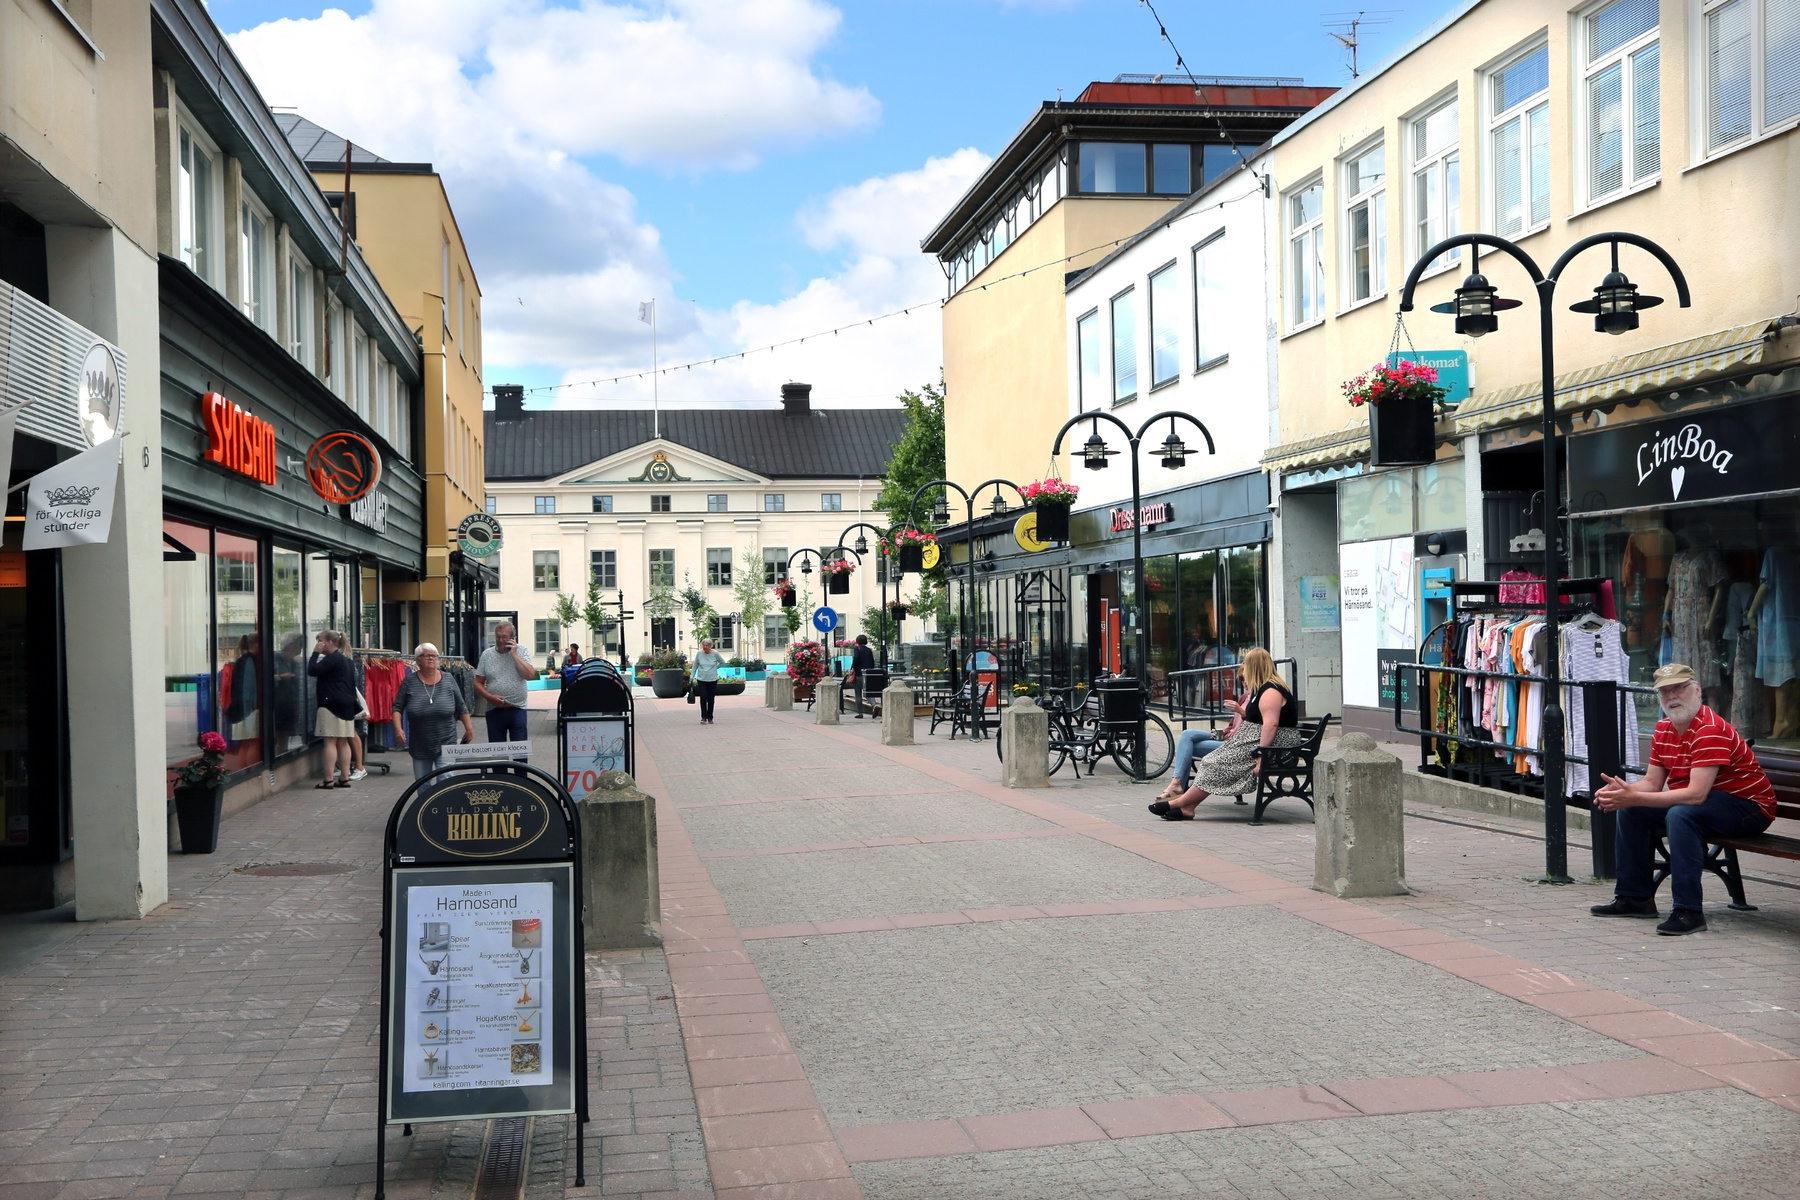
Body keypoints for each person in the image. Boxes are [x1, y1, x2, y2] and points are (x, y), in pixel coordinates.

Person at [1590, 662, 1777, 936]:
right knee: (1632, 810)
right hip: (1710, 801)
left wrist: (1635, 796)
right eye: (1664, 692)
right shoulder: (1664, 728)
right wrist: (1624, 793)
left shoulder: (1709, 729)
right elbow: (1653, 783)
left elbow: (1696, 795)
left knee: (1681, 815)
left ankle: (1689, 911)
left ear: (1697, 690)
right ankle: (1635, 898)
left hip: (1748, 806)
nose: (1671, 697)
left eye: (1678, 689)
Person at [1151, 648, 1302, 820]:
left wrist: (1261, 754)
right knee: (1210, 760)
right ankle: (1188, 807)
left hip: (1274, 747)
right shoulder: (1260, 690)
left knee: (1216, 763)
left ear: (1254, 667)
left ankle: (1180, 803)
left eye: (1246, 665)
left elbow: (1271, 724)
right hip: (1252, 742)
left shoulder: (1271, 691)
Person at [392, 643, 473, 779]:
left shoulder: (448, 679)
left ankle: (445, 801)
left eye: (434, 655)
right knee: (423, 784)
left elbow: (461, 706)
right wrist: (398, 729)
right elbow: (397, 707)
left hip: (446, 740)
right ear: (418, 660)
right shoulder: (409, 681)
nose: (431, 658)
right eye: (426, 655)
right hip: (420, 743)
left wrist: (469, 729)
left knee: (445, 779)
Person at [1155, 694, 1243, 801]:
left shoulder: (1259, 701)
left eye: (1245, 679)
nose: (1245, 683)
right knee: (1187, 735)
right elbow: (1232, 725)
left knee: (1187, 747)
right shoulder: (1245, 697)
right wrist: (1221, 733)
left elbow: (1256, 723)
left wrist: (1241, 711)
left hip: (1235, 745)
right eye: (1242, 680)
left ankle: (1177, 787)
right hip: (1225, 738)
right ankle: (1176, 783)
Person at [307, 630, 359, 788]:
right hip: (347, 705)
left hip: (331, 705)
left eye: (320, 640)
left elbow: (312, 670)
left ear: (330, 642)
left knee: (330, 741)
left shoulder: (331, 659)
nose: (318, 643)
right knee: (343, 742)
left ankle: (328, 779)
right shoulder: (347, 660)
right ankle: (344, 777)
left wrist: (315, 654)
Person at [474, 622, 538, 744]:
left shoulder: (522, 651)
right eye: (497, 636)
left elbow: (529, 675)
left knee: (520, 750)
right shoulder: (487, 655)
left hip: (517, 708)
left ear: (513, 639)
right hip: (494, 709)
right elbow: (478, 683)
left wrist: (514, 655)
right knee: (498, 753)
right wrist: (489, 697)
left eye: (504, 637)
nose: (500, 640)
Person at [692, 638, 725, 724]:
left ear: (711, 646)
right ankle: (703, 717)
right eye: (704, 645)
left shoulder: (715, 654)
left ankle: (710, 717)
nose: (705, 647)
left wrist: (715, 668)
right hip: (702, 679)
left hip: (712, 679)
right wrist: (692, 676)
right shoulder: (699, 654)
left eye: (707, 645)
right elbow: (695, 665)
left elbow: (722, 662)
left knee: (710, 698)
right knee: (703, 697)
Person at [849, 634, 877, 718]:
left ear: (858, 641)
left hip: (859, 674)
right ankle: (874, 705)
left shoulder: (857, 649)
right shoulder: (869, 650)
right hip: (868, 674)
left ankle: (860, 713)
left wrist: (853, 668)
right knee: (868, 691)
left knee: (858, 694)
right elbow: (872, 662)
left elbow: (856, 658)